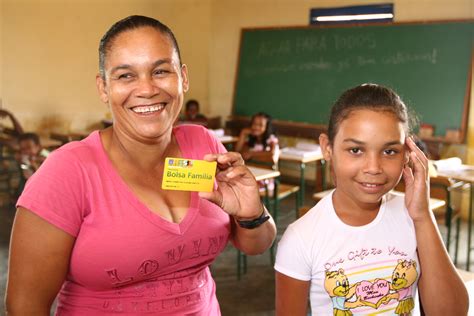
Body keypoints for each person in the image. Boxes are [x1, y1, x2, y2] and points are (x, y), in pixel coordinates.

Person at [6, 15, 276, 315]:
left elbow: (256, 244)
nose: (147, 89)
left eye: (160, 71)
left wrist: (251, 213)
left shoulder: (202, 146)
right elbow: (25, 305)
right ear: (103, 88)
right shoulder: (69, 171)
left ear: (183, 78)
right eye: (125, 76)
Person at [274, 84, 468, 315]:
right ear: (328, 148)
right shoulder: (301, 238)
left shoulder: (414, 219)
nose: (373, 168)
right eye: (356, 150)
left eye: (389, 151)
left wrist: (423, 216)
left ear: (408, 152)